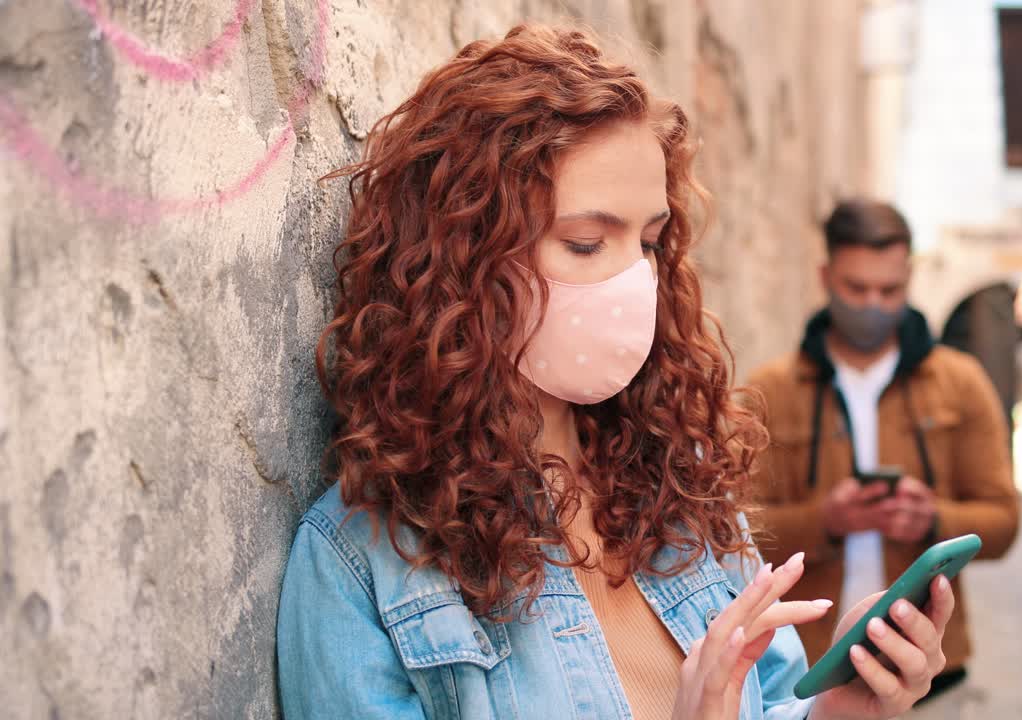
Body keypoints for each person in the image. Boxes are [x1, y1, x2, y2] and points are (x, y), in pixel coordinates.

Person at [276, 25, 955, 720]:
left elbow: (773, 699)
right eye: (586, 242)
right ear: (464, 256)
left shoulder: (680, 488)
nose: (637, 280)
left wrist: (840, 706)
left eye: (651, 242)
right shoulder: (362, 561)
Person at [749, 198, 1020, 707]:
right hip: (805, 679)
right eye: (856, 288)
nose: (873, 304)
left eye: (889, 290)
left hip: (929, 671)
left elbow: (1004, 522)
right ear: (826, 277)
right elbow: (735, 534)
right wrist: (825, 522)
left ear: (909, 278)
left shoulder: (961, 382)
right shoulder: (769, 391)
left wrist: (933, 520)